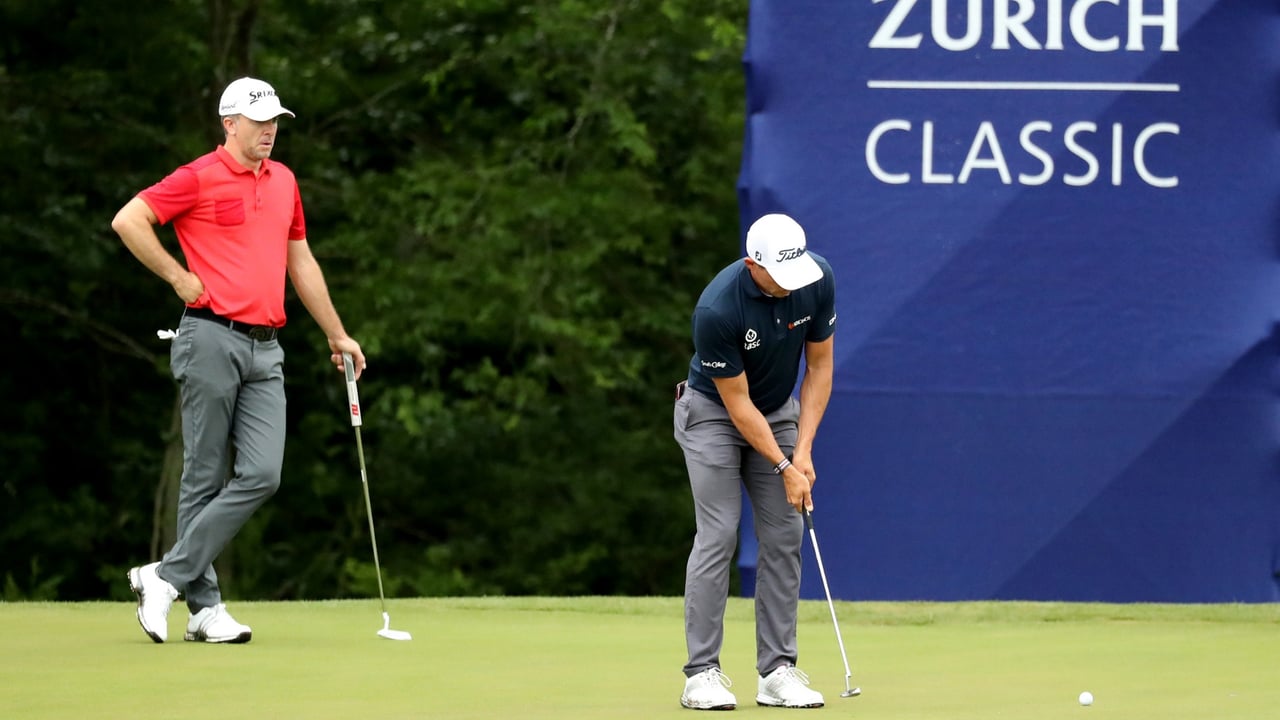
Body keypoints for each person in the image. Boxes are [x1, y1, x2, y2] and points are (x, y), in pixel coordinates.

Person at [111, 77, 366, 644]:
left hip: (266, 347)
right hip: (209, 337)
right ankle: (204, 610)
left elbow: (300, 261)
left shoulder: (284, 182)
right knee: (203, 476)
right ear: (230, 124)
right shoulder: (197, 176)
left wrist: (337, 334)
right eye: (258, 120)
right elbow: (129, 220)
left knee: (262, 474)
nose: (269, 129)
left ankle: (166, 576)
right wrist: (178, 277)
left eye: (275, 119)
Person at [674, 213, 836, 709]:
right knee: (720, 532)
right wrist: (784, 467)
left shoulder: (816, 279)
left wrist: (803, 451)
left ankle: (777, 671)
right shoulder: (718, 308)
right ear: (752, 265)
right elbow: (736, 404)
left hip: (776, 411)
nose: (790, 287)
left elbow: (820, 366)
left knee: (786, 534)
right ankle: (701, 673)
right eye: (778, 278)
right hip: (713, 414)